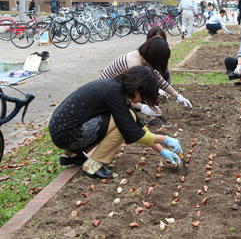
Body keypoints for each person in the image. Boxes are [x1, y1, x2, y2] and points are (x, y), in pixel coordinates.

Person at [50, 66, 184, 179]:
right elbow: (133, 133)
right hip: (68, 134)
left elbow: (139, 126)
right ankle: (93, 166)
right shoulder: (114, 93)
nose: (142, 101)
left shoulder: (117, 89)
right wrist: (166, 139)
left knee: (129, 117)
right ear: (137, 90)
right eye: (143, 97)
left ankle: (73, 154)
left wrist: (162, 151)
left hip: (64, 132)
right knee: (122, 124)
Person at [99, 37, 193, 117]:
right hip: (105, 94)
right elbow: (127, 94)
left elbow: (160, 80)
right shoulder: (134, 64)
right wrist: (142, 107)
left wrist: (178, 95)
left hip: (119, 90)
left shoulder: (146, 60)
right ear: (154, 57)